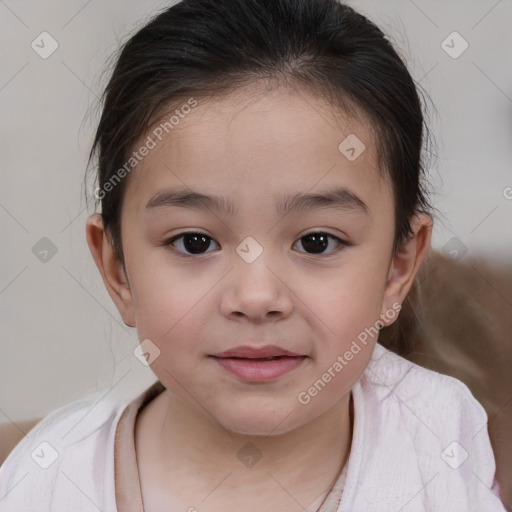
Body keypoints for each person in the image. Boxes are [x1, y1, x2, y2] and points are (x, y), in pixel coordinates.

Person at [0, 0, 507, 510]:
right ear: (118, 272)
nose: (257, 297)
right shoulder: (48, 481)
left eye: (317, 242)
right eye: (194, 242)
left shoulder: (438, 438)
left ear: (398, 268)